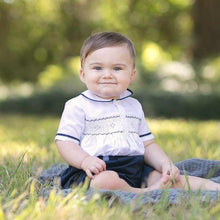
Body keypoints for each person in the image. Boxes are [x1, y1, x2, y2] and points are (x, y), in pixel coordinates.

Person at [55, 32, 220, 193]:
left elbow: (147, 144)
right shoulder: (78, 105)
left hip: (135, 168)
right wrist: (85, 161)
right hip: (95, 171)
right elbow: (65, 143)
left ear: (131, 75)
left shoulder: (133, 105)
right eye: (97, 68)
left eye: (117, 68)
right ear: (83, 74)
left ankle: (214, 188)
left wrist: (164, 163)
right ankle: (141, 193)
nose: (107, 75)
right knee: (106, 181)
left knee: (170, 179)